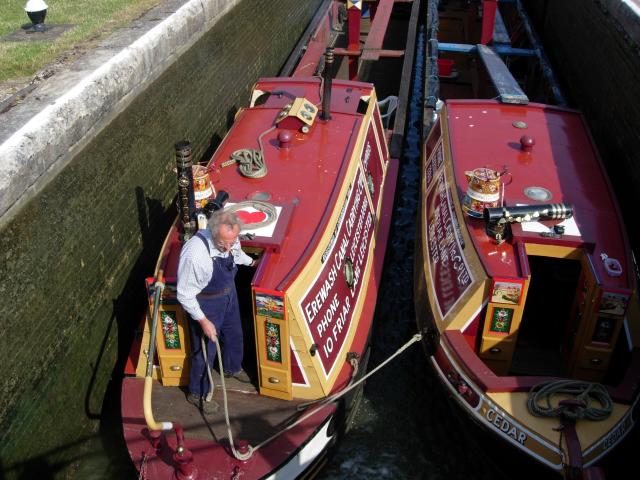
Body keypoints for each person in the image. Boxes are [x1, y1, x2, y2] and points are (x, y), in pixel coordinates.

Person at [177, 210, 257, 414]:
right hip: (206, 303)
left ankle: (232, 367)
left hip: (228, 294)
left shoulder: (231, 240)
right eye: (224, 243)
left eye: (233, 241)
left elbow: (236, 254)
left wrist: (253, 263)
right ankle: (197, 392)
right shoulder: (195, 255)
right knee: (204, 351)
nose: (229, 247)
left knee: (234, 333)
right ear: (213, 233)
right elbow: (185, 294)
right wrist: (203, 320)